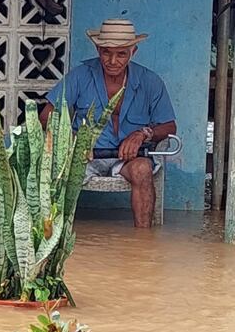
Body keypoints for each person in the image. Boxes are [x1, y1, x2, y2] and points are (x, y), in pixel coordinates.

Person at [39, 18, 177, 228]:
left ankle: (143, 245)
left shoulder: (150, 81)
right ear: (97, 49)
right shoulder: (80, 76)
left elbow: (169, 127)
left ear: (133, 52)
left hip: (128, 160)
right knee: (55, 173)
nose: (113, 61)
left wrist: (142, 134)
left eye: (121, 53)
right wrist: (73, 138)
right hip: (83, 159)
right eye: (106, 52)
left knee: (142, 170)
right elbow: (46, 115)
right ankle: (55, 239)